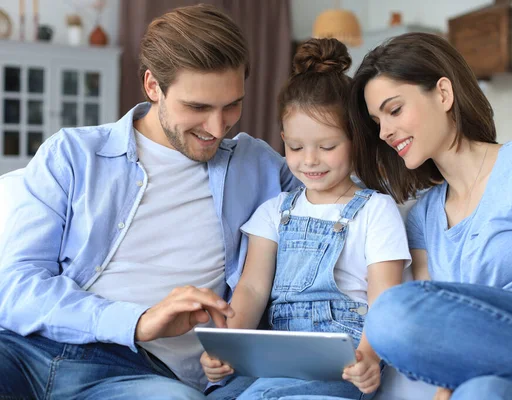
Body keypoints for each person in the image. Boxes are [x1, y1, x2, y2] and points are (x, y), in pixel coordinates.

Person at [0, 4, 299, 400]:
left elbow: (345, 189)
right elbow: (16, 288)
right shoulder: (73, 154)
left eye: (231, 105)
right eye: (197, 107)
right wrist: (137, 320)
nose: (217, 126)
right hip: (23, 350)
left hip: (137, 374)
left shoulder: (258, 166)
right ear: (152, 86)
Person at [348, 31, 512, 400]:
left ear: (444, 94)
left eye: (395, 110)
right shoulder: (423, 217)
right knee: (480, 392)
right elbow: (446, 338)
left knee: (390, 313)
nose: (384, 132)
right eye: (377, 122)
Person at [200, 38, 410, 399]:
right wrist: (226, 347)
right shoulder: (274, 211)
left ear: (357, 139)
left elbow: (384, 301)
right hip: (276, 366)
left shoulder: (376, 211)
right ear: (283, 140)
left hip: (343, 370)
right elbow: (251, 288)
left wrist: (370, 358)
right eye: (295, 148)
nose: (309, 160)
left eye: (327, 147)